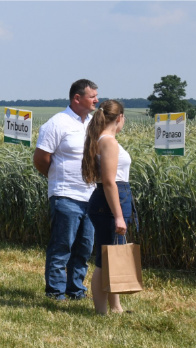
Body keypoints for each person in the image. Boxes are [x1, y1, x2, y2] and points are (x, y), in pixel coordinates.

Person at [33, 79, 98, 301]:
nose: (96, 100)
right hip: (65, 195)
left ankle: (76, 290)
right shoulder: (57, 123)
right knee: (62, 247)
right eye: (92, 96)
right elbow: (41, 159)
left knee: (84, 248)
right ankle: (55, 292)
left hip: (90, 196)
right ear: (77, 98)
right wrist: (57, 179)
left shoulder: (92, 124)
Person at [82, 100, 133, 316]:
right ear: (119, 117)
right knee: (105, 258)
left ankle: (116, 307)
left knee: (113, 253)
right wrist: (119, 216)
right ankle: (101, 312)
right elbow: (110, 181)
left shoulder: (101, 139)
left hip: (109, 200)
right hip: (111, 200)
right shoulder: (109, 142)